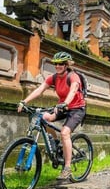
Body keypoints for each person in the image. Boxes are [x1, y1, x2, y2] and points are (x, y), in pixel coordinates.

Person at [17, 51, 86, 181]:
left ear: (66, 65)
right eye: (56, 64)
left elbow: (73, 90)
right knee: (44, 117)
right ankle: (55, 142)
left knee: (65, 133)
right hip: (62, 107)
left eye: (61, 64)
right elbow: (40, 89)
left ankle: (67, 167)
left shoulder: (73, 77)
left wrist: (65, 103)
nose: (58, 66)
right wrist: (24, 101)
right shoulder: (53, 77)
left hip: (76, 109)